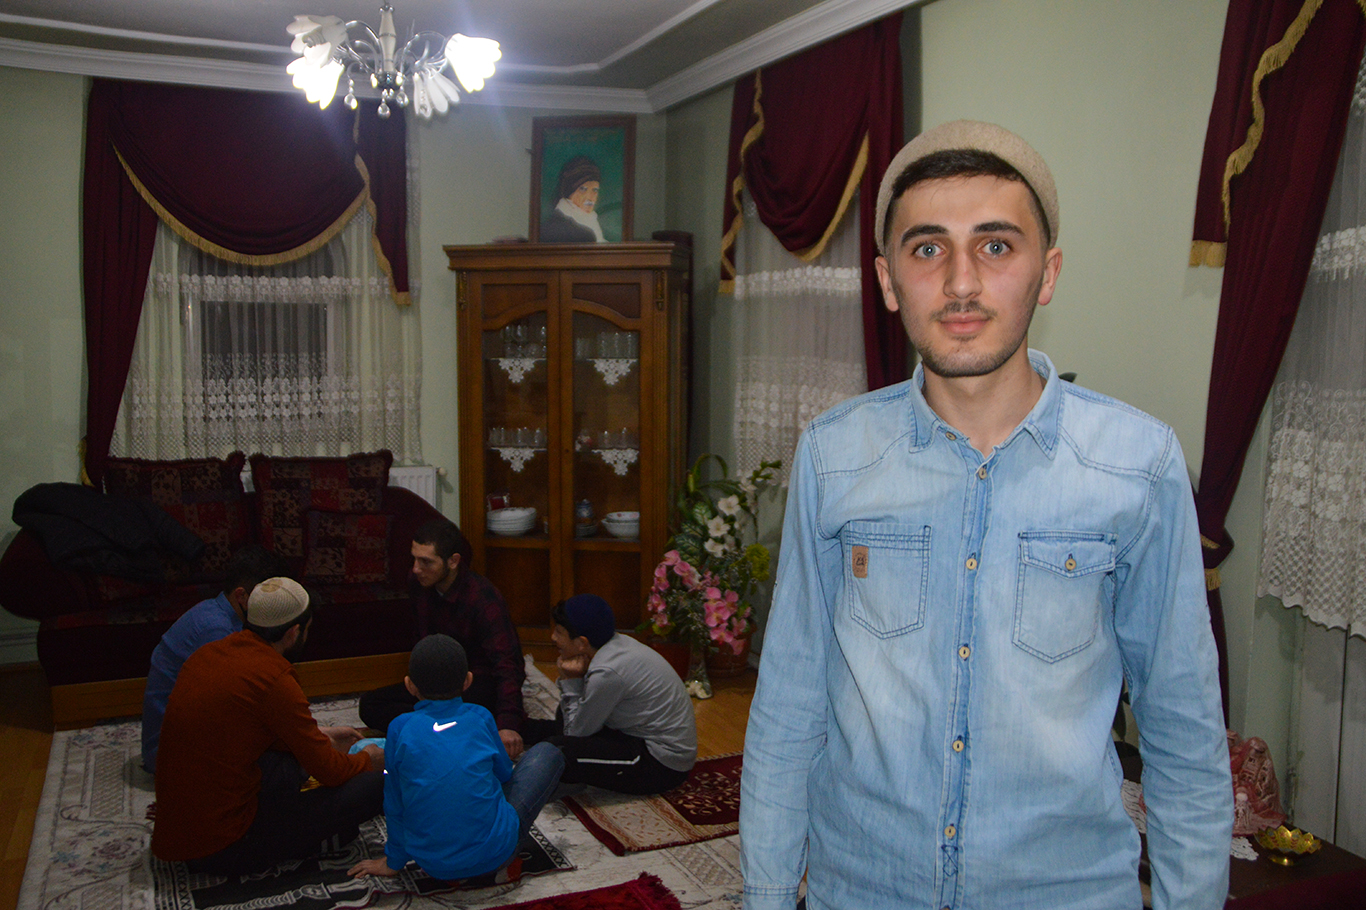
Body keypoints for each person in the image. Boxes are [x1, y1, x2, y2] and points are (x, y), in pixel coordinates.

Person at [739, 120, 1232, 910]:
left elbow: (1184, 731)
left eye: (996, 246)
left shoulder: (1137, 464)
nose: (961, 283)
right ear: (888, 280)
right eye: (927, 248)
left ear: (1048, 272)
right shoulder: (835, 456)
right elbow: (789, 705)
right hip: (863, 889)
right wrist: (766, 895)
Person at [152, 577, 384, 874]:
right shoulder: (274, 678)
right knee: (375, 785)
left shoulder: (208, 653)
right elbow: (331, 771)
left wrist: (319, 736)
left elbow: (246, 729)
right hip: (223, 846)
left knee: (288, 766)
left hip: (180, 833)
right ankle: (314, 842)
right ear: (294, 632)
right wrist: (369, 759)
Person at [347, 635, 564, 883]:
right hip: (497, 854)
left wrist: (393, 861)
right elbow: (505, 775)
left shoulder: (399, 727)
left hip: (433, 865)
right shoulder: (481, 716)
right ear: (468, 681)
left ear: (410, 685)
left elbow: (394, 801)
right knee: (548, 753)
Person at [358, 519, 527, 757]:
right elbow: (421, 640)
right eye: (414, 559)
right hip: (435, 683)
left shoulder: (483, 598)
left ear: (453, 561)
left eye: (426, 562)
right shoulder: (417, 583)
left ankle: (440, 730)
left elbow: (508, 664)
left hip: (473, 684)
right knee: (370, 705)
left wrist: (508, 723)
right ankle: (454, 731)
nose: (416, 569)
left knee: (483, 709)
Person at [525, 594, 696, 794]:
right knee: (559, 720)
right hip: (633, 736)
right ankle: (515, 731)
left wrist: (571, 681)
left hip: (661, 764)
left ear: (582, 643)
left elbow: (574, 735)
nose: (553, 637)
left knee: (556, 752)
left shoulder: (607, 672)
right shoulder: (613, 644)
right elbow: (574, 722)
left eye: (559, 632)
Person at [141, 544, 285, 773]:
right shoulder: (216, 631)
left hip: (176, 740)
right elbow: (232, 707)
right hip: (169, 754)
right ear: (242, 596)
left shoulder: (215, 611)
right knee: (280, 764)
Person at [539, 155, 605, 242]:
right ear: (569, 191)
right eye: (582, 189)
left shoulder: (591, 221)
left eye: (595, 190)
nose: (590, 197)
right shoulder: (555, 227)